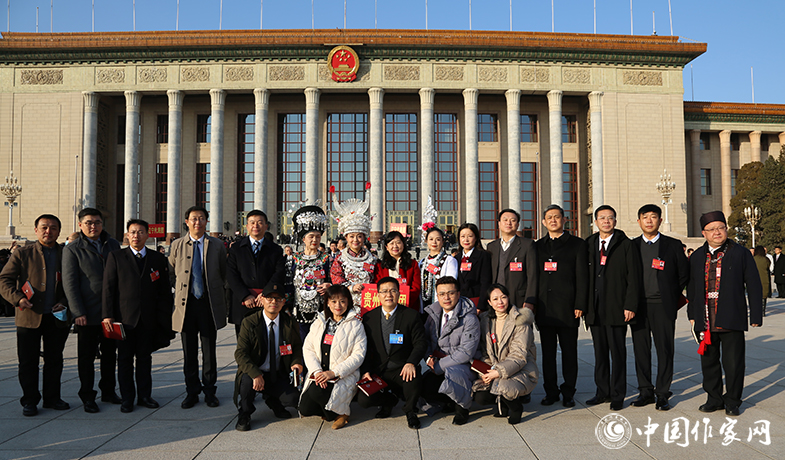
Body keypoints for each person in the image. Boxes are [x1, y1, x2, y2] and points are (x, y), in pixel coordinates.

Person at [688, 211, 762, 416]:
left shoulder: (740, 253)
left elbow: (754, 284)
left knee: (733, 363)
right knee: (709, 362)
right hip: (705, 317)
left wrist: (756, 315)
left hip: (731, 315)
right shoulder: (697, 256)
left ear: (726, 229)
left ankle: (732, 401)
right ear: (704, 233)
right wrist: (692, 315)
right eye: (711, 229)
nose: (717, 232)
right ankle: (714, 398)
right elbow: (692, 288)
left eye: (720, 227)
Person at [0, 214, 70, 416]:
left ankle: (52, 398)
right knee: (28, 361)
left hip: (56, 316)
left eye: (53, 228)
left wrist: (64, 302)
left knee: (54, 360)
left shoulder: (66, 254)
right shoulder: (23, 253)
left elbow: (73, 283)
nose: (49, 231)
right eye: (44, 227)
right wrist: (18, 299)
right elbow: (4, 280)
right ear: (36, 230)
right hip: (28, 315)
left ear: (59, 231)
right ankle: (29, 400)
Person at [101, 219, 173, 413]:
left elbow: (164, 291)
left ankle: (145, 396)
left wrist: (164, 316)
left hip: (148, 319)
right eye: (132, 232)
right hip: (124, 319)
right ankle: (127, 398)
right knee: (124, 360)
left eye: (140, 232)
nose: (136, 236)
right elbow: (108, 288)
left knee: (144, 359)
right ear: (127, 235)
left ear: (147, 235)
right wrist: (107, 315)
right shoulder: (116, 256)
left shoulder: (157, 258)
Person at [630, 204, 689, 411]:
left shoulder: (672, 245)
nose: (649, 221)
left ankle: (663, 393)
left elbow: (684, 273)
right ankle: (645, 391)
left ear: (660, 221)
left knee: (664, 349)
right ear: (639, 221)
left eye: (653, 217)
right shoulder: (632, 246)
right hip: (638, 307)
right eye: (645, 217)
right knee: (641, 350)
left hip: (663, 306)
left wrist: (671, 294)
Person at [62, 207, 122, 412]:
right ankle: (87, 395)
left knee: (110, 355)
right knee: (86, 357)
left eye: (97, 222)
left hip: (110, 313)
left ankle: (109, 391)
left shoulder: (113, 244)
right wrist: (77, 312)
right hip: (87, 314)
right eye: (88, 223)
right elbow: (70, 283)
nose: (93, 226)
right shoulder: (72, 249)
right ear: (80, 225)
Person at [169, 205, 227, 409]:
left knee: (209, 351)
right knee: (189, 351)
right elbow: (171, 273)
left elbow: (223, 273)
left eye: (201, 218)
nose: (197, 222)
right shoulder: (177, 245)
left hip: (208, 305)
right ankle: (191, 391)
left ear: (206, 221)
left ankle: (210, 391)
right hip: (186, 306)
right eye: (193, 218)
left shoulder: (217, 245)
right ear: (187, 222)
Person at [585, 205, 640, 411]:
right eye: (602, 218)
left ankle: (618, 394)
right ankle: (602, 392)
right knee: (600, 353)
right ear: (596, 222)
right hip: (595, 308)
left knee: (617, 353)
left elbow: (633, 277)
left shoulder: (625, 244)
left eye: (610, 218)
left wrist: (630, 305)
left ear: (615, 221)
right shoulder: (589, 243)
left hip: (617, 308)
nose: (606, 221)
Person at [534, 204, 588, 408]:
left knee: (569, 353)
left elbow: (582, 277)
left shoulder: (577, 244)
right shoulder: (538, 246)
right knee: (548, 354)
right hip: (545, 308)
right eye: (549, 217)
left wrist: (580, 304)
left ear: (565, 220)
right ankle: (551, 391)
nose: (553, 220)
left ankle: (568, 391)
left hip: (568, 308)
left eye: (557, 217)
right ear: (544, 222)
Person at [358, 277, 427, 429]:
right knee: (364, 399)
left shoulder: (411, 315)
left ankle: (410, 411)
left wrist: (411, 362)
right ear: (378, 295)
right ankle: (388, 401)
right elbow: (365, 348)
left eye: (393, 291)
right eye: (384, 291)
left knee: (414, 377)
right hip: (379, 369)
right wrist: (366, 371)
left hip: (402, 367)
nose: (388, 295)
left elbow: (420, 343)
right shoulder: (368, 318)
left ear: (399, 293)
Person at [234, 282, 304, 431]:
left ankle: (273, 401)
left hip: (278, 373)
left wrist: (296, 362)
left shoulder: (289, 322)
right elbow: (240, 353)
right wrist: (255, 374)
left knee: (294, 399)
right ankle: (244, 413)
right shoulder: (249, 322)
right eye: (269, 298)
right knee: (246, 384)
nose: (274, 302)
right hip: (255, 371)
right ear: (262, 299)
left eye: (278, 299)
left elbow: (297, 347)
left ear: (283, 302)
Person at [299, 284, 366, 430]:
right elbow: (308, 348)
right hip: (320, 373)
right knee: (305, 409)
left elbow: (358, 355)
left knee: (317, 392)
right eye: (334, 301)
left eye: (342, 301)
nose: (338, 305)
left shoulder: (356, 325)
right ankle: (329, 410)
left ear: (348, 302)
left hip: (342, 374)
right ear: (327, 303)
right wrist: (317, 371)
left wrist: (334, 373)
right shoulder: (319, 321)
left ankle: (342, 413)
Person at [472, 284, 537, 424]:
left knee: (504, 387)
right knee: (481, 397)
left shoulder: (521, 321)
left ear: (508, 298)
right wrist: (487, 371)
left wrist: (498, 372)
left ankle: (516, 408)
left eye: (503, 297)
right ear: (489, 302)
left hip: (520, 368)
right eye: (495, 299)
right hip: (496, 367)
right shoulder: (485, 321)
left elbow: (519, 356)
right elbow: (485, 352)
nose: (500, 302)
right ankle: (503, 404)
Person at [422, 276, 480, 425]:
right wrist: (428, 357)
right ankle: (448, 402)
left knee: (453, 375)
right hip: (439, 362)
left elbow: (466, 352)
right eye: (442, 294)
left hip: (464, 365)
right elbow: (425, 339)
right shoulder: (433, 314)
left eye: (451, 293)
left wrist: (439, 366)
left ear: (458, 294)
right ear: (437, 295)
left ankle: (462, 408)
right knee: (424, 386)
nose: (446, 298)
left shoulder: (469, 318)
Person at [227, 209, 286, 335]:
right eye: (252, 222)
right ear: (247, 226)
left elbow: (279, 273)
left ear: (266, 226)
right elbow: (231, 274)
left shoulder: (275, 250)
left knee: (267, 339)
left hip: (267, 302)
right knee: (244, 341)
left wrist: (265, 294)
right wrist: (245, 295)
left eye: (260, 222)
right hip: (243, 303)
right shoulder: (236, 248)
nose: (256, 226)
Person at [284, 205, 331, 340]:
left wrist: (329, 285)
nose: (315, 240)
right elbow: (288, 284)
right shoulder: (294, 259)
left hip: (321, 309)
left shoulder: (326, 259)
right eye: (311, 236)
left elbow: (332, 280)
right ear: (303, 239)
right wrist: (286, 306)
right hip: (298, 310)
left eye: (317, 237)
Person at [329, 192, 378, 307]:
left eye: (359, 236)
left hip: (369, 301)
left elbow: (377, 278)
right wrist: (350, 287)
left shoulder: (372, 258)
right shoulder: (340, 258)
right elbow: (336, 277)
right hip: (347, 301)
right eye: (351, 236)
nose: (355, 240)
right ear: (346, 238)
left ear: (364, 238)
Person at [486, 209, 538, 312]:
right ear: (499, 224)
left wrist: (530, 300)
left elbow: (532, 275)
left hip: (519, 300)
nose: (508, 223)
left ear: (518, 225)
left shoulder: (527, 245)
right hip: (497, 301)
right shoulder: (492, 246)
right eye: (505, 220)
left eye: (513, 220)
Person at [375, 231, 421, 312]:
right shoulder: (380, 266)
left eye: (398, 242)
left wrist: (402, 302)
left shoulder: (413, 264)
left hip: (408, 307)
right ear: (386, 247)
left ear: (403, 244)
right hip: (385, 307)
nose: (395, 246)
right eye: (391, 243)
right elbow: (376, 287)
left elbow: (416, 288)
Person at [456, 223, 492, 311]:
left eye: (470, 236)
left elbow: (485, 282)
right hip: (459, 302)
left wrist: (481, 306)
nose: (466, 240)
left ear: (476, 238)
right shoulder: (456, 258)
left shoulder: (483, 256)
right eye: (463, 236)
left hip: (476, 301)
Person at [419, 226, 459, 307]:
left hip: (441, 303)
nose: (434, 242)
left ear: (443, 241)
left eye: (438, 239)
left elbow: (451, 283)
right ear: (426, 241)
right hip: (423, 303)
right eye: (431, 239)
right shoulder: (422, 262)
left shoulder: (449, 260)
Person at [752, 246, 770, 317]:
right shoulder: (766, 259)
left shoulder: (753, 259)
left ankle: (755, 311)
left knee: (754, 296)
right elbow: (768, 266)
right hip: (764, 279)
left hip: (754, 279)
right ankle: (763, 312)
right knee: (763, 295)